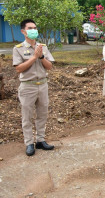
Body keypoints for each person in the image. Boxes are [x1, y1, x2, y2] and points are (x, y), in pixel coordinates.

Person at [13, 19, 55, 156]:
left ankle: (40, 140)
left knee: (42, 114)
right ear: (23, 31)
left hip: (42, 85)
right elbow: (19, 68)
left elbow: (49, 66)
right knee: (27, 116)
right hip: (27, 86)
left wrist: (41, 56)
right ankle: (29, 143)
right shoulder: (18, 49)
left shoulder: (43, 47)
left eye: (35, 27)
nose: (33, 30)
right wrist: (33, 57)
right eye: (30, 28)